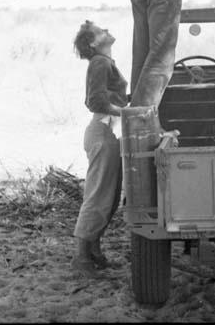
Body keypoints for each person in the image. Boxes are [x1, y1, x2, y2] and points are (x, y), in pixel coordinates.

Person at [71, 20, 128, 279]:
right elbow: (94, 101)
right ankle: (82, 257)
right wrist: (126, 112)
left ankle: (93, 253)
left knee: (108, 196)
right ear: (94, 43)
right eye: (100, 30)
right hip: (105, 131)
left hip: (107, 130)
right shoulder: (100, 63)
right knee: (99, 195)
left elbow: (99, 98)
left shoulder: (103, 63)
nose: (106, 29)